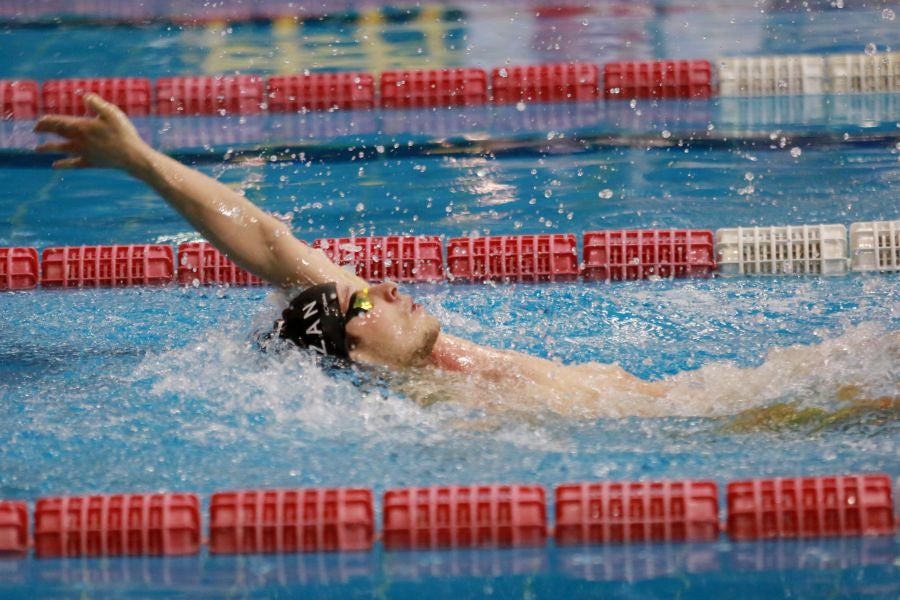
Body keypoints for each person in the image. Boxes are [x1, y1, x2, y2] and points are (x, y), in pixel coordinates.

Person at [34, 95, 897, 420]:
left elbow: (264, 238)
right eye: (362, 303)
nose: (381, 287)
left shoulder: (419, 355)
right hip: (733, 421)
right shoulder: (449, 407)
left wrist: (142, 161)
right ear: (354, 356)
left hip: (726, 394)